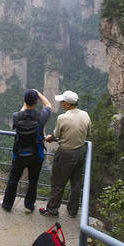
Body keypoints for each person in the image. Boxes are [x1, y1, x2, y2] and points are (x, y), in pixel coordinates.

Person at [41, 90, 91, 218]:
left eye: (62, 101)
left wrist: (48, 138)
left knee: (58, 183)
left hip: (65, 153)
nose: (61, 103)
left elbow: (55, 136)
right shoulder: (85, 115)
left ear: (68, 104)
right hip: (80, 151)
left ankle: (52, 210)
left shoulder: (62, 118)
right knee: (76, 182)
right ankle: (73, 211)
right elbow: (88, 134)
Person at [1, 89, 51, 213]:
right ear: (36, 102)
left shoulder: (16, 116)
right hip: (36, 156)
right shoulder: (41, 117)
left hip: (19, 155)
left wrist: (26, 103)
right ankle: (29, 205)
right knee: (33, 181)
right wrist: (39, 94)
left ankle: (7, 204)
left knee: (13, 180)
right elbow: (48, 105)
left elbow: (22, 111)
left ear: (24, 101)